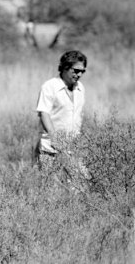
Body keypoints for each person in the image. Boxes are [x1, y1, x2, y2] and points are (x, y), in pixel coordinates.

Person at [34, 50, 88, 182]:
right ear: (65, 67)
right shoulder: (49, 86)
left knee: (80, 186)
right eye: (76, 70)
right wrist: (57, 141)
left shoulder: (80, 88)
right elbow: (43, 114)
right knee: (49, 190)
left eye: (82, 71)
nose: (79, 74)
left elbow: (78, 117)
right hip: (50, 150)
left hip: (73, 149)